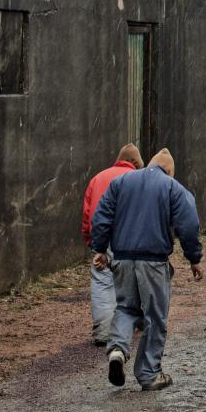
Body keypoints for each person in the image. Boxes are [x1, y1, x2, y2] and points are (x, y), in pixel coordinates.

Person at [91, 148, 203, 392]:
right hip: (153, 262)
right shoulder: (172, 187)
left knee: (125, 308)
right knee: (155, 317)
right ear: (169, 170)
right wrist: (194, 258)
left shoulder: (121, 182)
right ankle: (149, 374)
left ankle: (118, 350)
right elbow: (189, 222)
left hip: (121, 258)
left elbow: (101, 215)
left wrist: (99, 248)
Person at [81, 143, 144, 345]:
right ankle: (131, 325)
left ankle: (103, 333)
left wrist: (92, 241)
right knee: (131, 280)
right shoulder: (137, 180)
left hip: (103, 237)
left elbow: (87, 213)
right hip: (128, 238)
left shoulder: (97, 178)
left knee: (102, 281)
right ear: (135, 163)